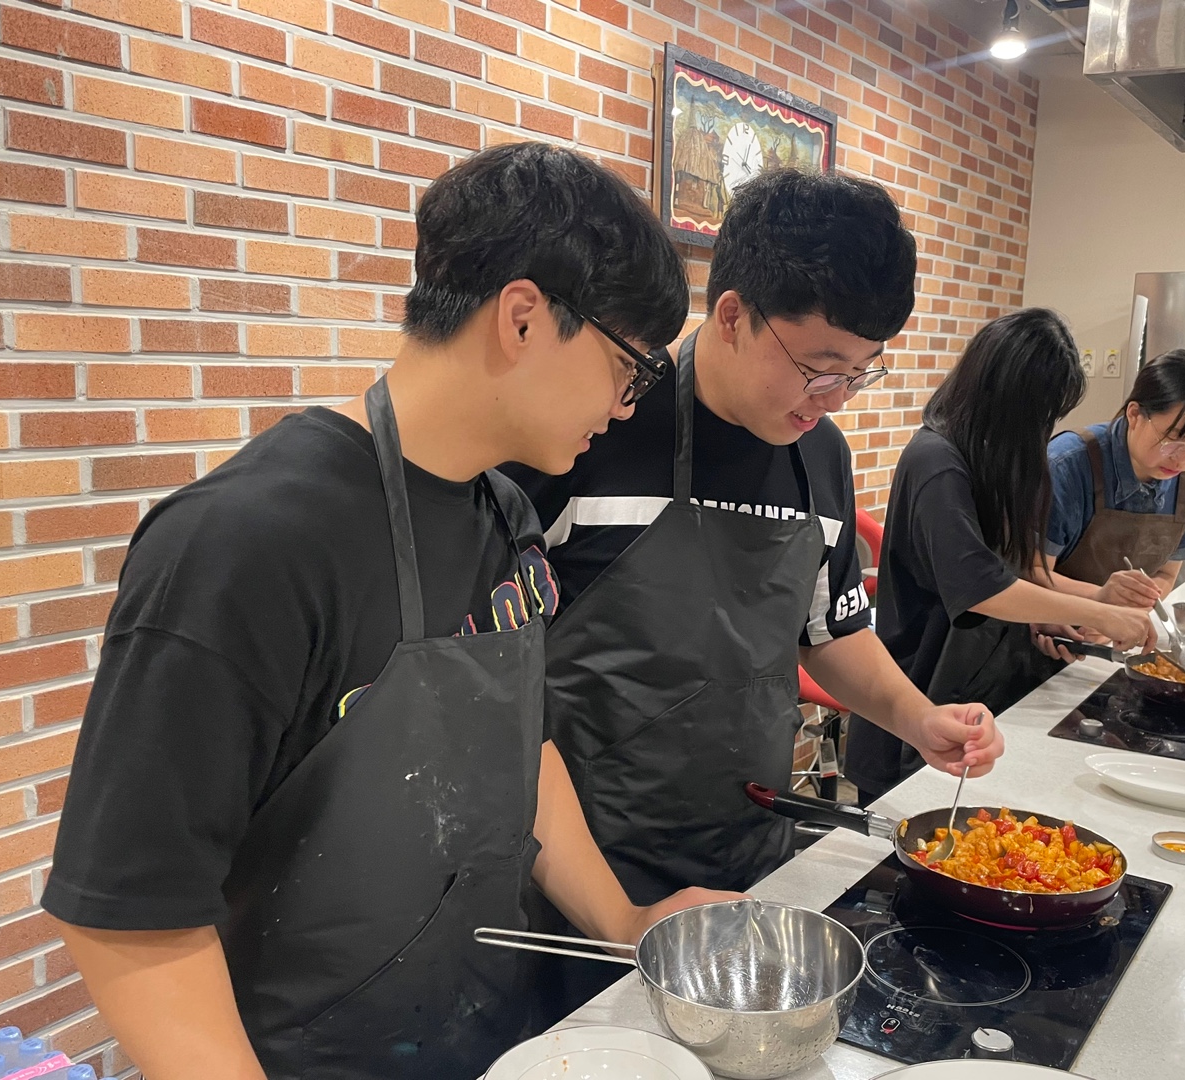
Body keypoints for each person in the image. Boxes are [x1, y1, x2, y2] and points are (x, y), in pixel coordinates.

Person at [41, 144, 734, 1080]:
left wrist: (625, 920)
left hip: (486, 1043)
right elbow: (128, 914)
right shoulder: (244, 543)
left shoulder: (507, 516)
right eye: (630, 368)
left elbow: (518, 750)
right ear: (523, 318)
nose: (624, 407)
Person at [501, 169, 1003, 908]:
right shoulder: (593, 425)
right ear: (732, 316)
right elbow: (493, 673)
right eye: (819, 369)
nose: (834, 400)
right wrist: (616, 914)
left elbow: (828, 631)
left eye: (859, 374)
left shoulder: (820, 455)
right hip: (579, 867)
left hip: (748, 846)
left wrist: (917, 717)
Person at [844, 309, 1156, 804]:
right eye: (1039, 413)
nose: (1043, 428)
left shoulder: (995, 458)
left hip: (982, 698)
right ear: (1006, 398)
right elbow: (982, 586)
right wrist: (1102, 613)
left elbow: (1014, 569)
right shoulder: (936, 461)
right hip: (920, 700)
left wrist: (1044, 621)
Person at [1035, 349, 1185, 608]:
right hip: (1050, 621)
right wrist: (1097, 604)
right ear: (1135, 414)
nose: (1183, 460)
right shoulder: (1066, 465)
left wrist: (1133, 607)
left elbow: (1166, 574)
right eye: (1174, 439)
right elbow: (1032, 572)